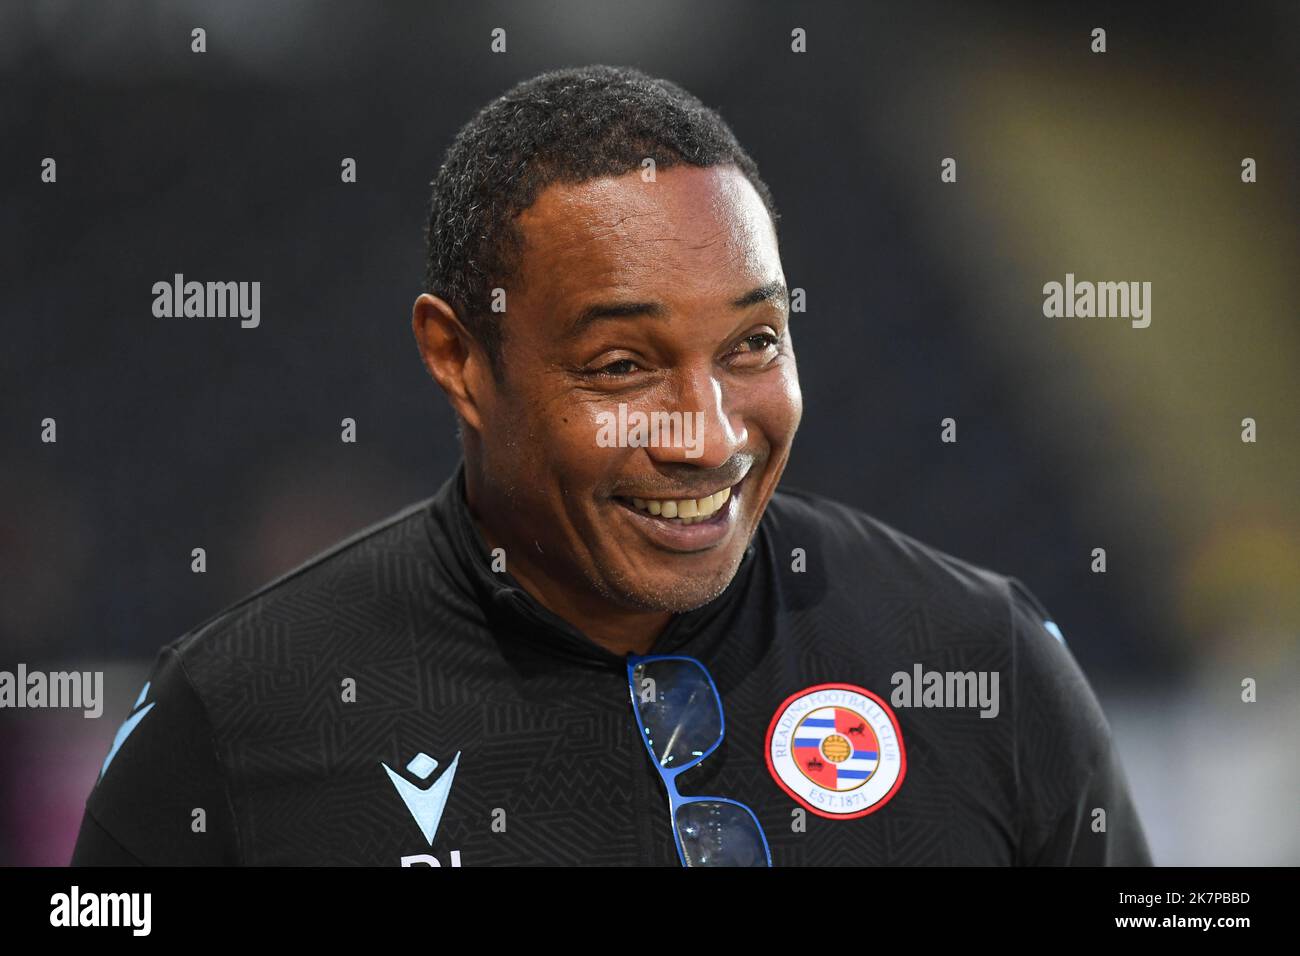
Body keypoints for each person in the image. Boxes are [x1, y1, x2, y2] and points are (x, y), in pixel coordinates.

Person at [71, 65, 1151, 866]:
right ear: (458, 357)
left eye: (753, 344)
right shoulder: (231, 718)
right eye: (623, 364)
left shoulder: (983, 658)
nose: (708, 432)